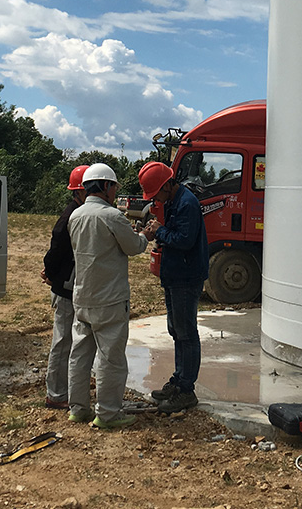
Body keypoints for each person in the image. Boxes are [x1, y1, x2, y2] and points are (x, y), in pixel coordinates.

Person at [66, 162, 150, 430]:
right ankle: (108, 414)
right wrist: (145, 235)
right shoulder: (112, 216)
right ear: (105, 186)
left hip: (82, 296)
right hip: (110, 299)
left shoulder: (75, 216)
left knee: (80, 356)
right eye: (113, 187)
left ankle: (78, 409)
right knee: (111, 359)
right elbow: (134, 247)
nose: (115, 192)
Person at [139, 161, 210, 413]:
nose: (154, 199)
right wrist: (160, 233)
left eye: (156, 193)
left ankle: (187, 390)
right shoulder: (173, 201)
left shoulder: (187, 203)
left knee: (186, 333)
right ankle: (179, 381)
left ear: (168, 185)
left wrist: (160, 232)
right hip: (174, 275)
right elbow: (174, 235)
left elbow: (185, 240)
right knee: (176, 329)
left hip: (186, 277)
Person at [39, 164, 88, 410]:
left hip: (70, 285)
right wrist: (51, 273)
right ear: (80, 191)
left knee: (70, 340)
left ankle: (65, 389)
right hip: (65, 287)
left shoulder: (78, 213)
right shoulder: (70, 217)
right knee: (63, 341)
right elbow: (56, 251)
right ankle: (56, 394)